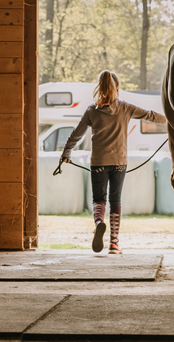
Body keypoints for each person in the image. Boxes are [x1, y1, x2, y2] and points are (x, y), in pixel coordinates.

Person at [60, 71, 166, 255]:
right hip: (119, 161)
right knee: (115, 199)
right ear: (117, 87)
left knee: (99, 199)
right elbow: (149, 115)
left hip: (98, 162)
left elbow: (77, 133)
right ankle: (114, 243)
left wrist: (66, 152)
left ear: (100, 87)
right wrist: (173, 120)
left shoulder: (92, 111)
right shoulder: (125, 107)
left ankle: (99, 223)